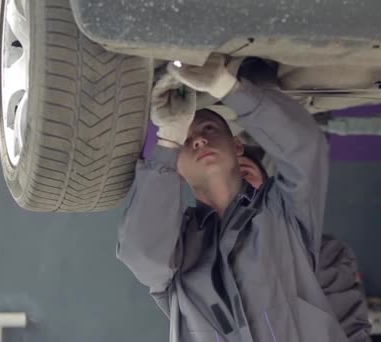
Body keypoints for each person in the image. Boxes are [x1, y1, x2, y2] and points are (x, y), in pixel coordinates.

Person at [117, 54, 346, 342]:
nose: (199, 140)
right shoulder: (177, 250)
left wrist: (226, 86)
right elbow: (142, 254)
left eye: (209, 129)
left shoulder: (283, 215)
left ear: (237, 144)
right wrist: (168, 139)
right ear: (176, 167)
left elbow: (304, 149)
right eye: (187, 141)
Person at [237, 148, 372, 342]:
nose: (233, 188)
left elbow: (350, 333)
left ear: (270, 189)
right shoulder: (198, 271)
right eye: (214, 180)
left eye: (244, 174)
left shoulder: (323, 255)